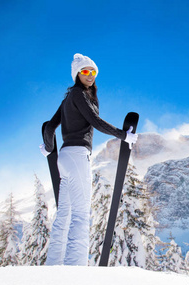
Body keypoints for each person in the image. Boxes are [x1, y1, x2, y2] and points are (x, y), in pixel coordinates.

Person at [40, 53, 138, 266]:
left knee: (64, 213)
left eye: (93, 71)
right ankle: (76, 269)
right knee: (81, 214)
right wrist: (123, 135)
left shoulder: (69, 97)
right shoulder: (79, 94)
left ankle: (53, 265)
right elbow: (94, 121)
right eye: (85, 71)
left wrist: (49, 148)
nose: (90, 75)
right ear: (77, 74)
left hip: (64, 158)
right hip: (77, 156)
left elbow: (49, 127)